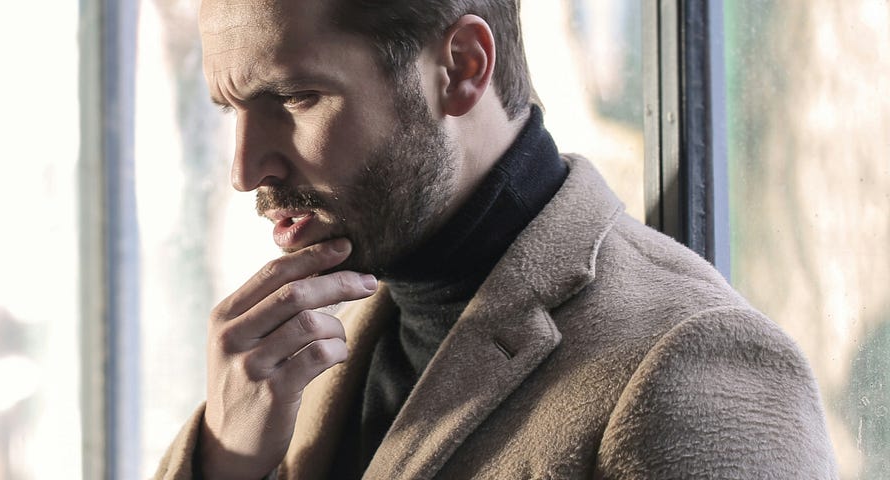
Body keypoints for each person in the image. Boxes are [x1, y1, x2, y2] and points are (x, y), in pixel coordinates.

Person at [151, 0, 837, 478]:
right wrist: (222, 463)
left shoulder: (696, 364)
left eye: (295, 98)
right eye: (231, 110)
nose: (245, 170)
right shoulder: (304, 347)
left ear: (462, 66)